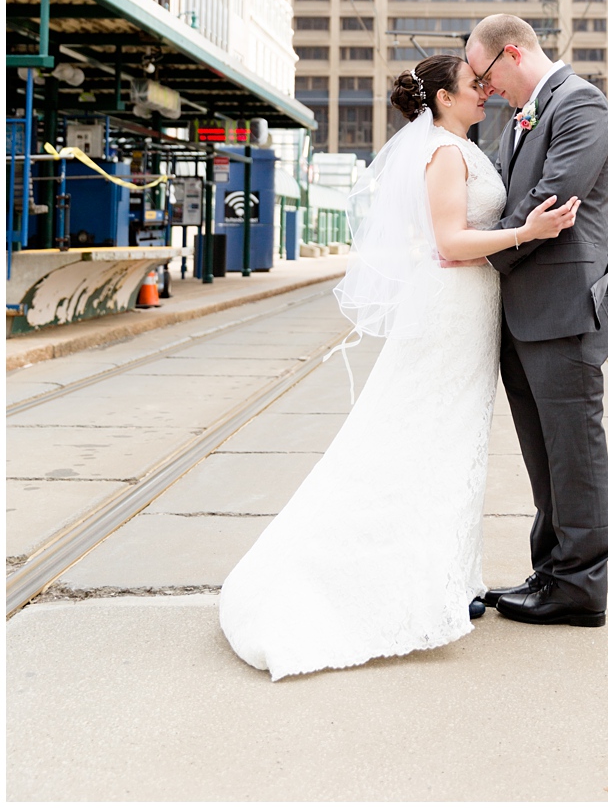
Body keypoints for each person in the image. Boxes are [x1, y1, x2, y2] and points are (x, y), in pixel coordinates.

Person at [219, 51, 579, 679]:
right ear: (443, 98)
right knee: (424, 438)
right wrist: (528, 233)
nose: (485, 92)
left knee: (452, 442)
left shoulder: (461, 147)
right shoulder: (443, 151)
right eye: (474, 85)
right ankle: (393, 585)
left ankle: (446, 578)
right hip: (450, 311)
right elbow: (449, 243)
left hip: (470, 311)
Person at [465, 14, 608, 627]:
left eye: (487, 76)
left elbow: (553, 196)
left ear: (512, 54)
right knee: (545, 454)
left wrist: (477, 246)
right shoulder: (526, 114)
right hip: (524, 310)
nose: (487, 91)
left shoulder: (580, 104)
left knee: (575, 449)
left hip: (564, 307)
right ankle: (553, 571)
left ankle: (582, 586)